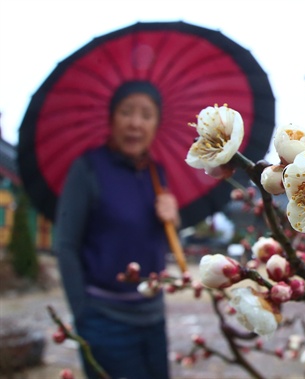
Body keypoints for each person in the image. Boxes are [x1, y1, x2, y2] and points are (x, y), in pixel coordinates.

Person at [54, 81, 179, 379]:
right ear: (111, 119)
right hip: (104, 319)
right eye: (126, 112)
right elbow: (65, 244)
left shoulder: (156, 172)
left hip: (153, 316)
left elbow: (154, 237)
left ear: (156, 125)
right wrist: (82, 311)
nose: (136, 123)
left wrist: (173, 218)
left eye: (146, 115)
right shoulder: (88, 169)